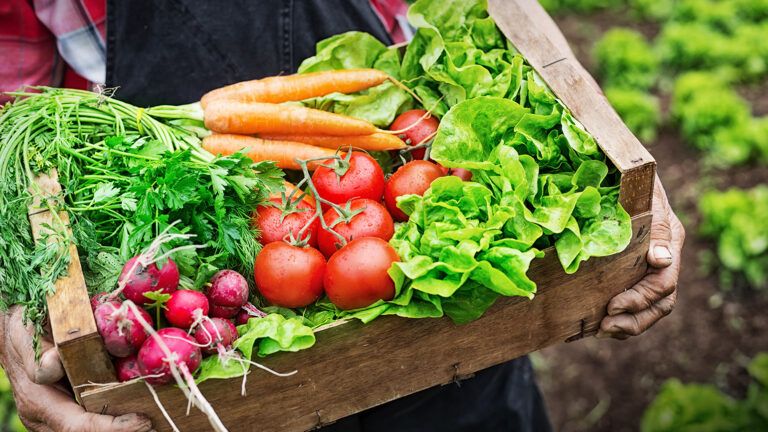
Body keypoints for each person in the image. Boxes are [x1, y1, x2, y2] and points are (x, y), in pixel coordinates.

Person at [0, 1, 685, 431]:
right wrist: (14, 314)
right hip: (196, 367)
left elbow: (504, 12)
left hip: (456, 344)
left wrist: (607, 141)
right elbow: (10, 130)